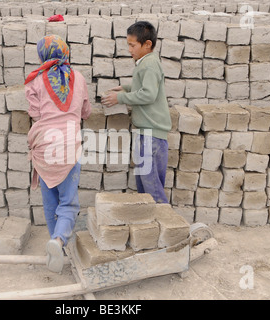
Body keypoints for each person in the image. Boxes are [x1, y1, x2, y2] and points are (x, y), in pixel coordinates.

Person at [25, 35, 92, 273]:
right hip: (68, 146)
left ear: (42, 55)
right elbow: (86, 111)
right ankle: (59, 241)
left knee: (50, 200)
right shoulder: (80, 78)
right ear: (66, 52)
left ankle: (56, 249)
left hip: (44, 147)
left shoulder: (36, 80)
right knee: (68, 203)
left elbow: (34, 113)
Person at [102, 21, 172, 204]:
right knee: (144, 189)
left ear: (147, 44)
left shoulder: (149, 64)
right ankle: (151, 228)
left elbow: (149, 94)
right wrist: (125, 87)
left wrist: (120, 98)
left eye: (132, 45)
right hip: (145, 133)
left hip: (152, 135)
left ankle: (169, 227)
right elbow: (143, 85)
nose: (129, 50)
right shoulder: (145, 63)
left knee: (152, 190)